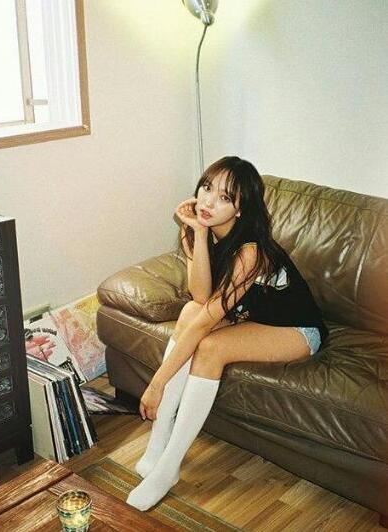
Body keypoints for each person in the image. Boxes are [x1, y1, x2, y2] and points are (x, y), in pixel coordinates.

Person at [126, 156, 328, 511]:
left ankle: (168, 467)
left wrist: (157, 382)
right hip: (251, 318)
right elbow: (200, 297)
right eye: (207, 188)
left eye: (224, 198)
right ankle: (158, 442)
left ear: (240, 209)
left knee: (211, 347)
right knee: (189, 311)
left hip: (297, 329)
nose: (208, 201)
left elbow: (208, 322)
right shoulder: (206, 229)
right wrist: (197, 235)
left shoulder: (250, 251)